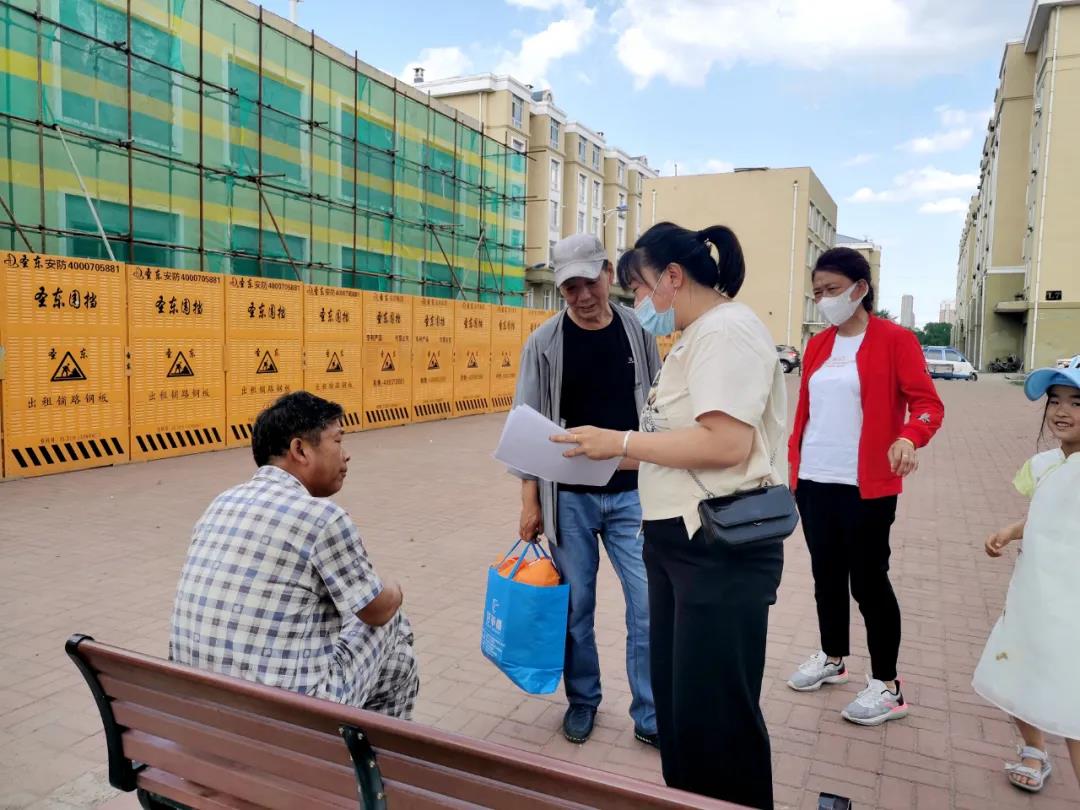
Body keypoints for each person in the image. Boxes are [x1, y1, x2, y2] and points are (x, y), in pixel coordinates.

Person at [553, 222, 786, 809]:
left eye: (638, 288)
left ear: (672, 278)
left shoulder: (727, 331)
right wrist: (602, 448)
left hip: (718, 550)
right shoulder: (694, 336)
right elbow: (679, 440)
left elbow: (725, 443)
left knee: (718, 721)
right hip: (679, 544)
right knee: (683, 713)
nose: (637, 302)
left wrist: (621, 442)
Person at [170, 391, 418, 718]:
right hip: (288, 722)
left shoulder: (221, 503)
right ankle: (382, 747)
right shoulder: (323, 518)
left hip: (197, 709)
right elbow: (377, 611)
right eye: (337, 440)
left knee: (394, 658)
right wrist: (395, 589)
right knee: (392, 622)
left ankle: (372, 744)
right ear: (300, 450)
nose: (346, 455)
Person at [511, 232, 661, 747]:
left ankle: (651, 712)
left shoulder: (638, 331)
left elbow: (656, 407)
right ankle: (582, 700)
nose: (581, 296)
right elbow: (527, 427)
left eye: (589, 282)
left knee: (648, 602)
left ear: (608, 274)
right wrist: (530, 502)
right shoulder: (544, 343)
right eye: (569, 287)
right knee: (575, 607)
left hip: (633, 492)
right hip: (569, 498)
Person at [785, 247, 943, 726]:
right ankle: (833, 657)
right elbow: (810, 411)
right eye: (817, 292)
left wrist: (908, 437)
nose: (824, 300)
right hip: (814, 480)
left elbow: (927, 405)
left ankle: (888, 686)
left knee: (869, 582)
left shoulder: (895, 340)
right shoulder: (819, 345)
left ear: (860, 288)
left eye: (832, 289)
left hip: (866, 486)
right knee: (826, 576)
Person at [972, 359, 1080, 793]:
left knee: (1073, 704)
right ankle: (1034, 748)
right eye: (1055, 400)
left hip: (1071, 603)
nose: (1062, 410)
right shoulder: (1042, 465)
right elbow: (1047, 515)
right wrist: (1011, 530)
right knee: (1018, 671)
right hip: (1033, 593)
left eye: (1077, 402)